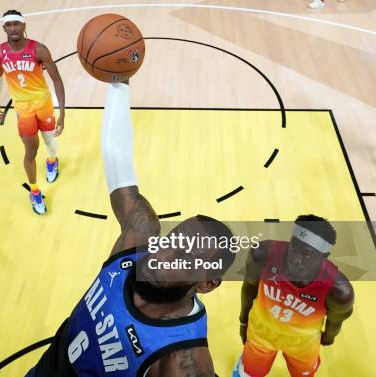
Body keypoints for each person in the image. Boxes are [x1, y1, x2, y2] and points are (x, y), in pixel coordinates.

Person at [25, 81, 236, 376]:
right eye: (172, 240)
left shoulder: (182, 362)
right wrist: (119, 82)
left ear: (207, 283)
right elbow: (116, 155)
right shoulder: (137, 242)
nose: (162, 255)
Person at [234, 215, 354, 377]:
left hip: (303, 345)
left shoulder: (339, 291)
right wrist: (243, 321)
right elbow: (249, 286)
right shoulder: (262, 254)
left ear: (324, 256)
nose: (295, 260)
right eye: (294, 248)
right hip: (260, 333)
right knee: (246, 374)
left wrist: (329, 336)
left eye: (306, 254)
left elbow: (335, 321)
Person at [0, 10, 65, 215]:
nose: (13, 28)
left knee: (50, 143)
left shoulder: (39, 50)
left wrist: (63, 113)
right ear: (4, 28)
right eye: (9, 25)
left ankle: (52, 161)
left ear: (24, 26)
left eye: (16, 24)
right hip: (23, 109)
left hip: (43, 104)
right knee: (30, 151)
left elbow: (57, 80)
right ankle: (34, 191)